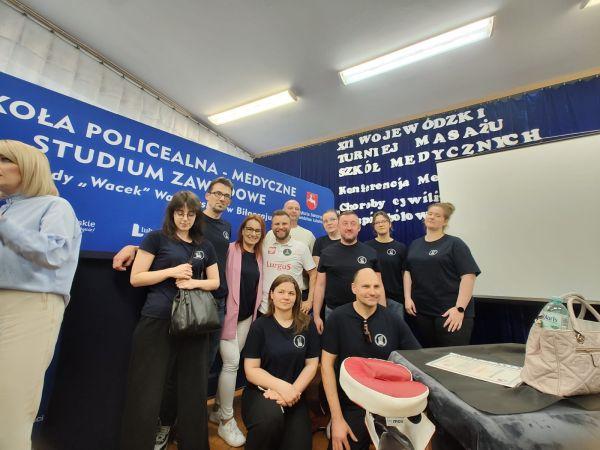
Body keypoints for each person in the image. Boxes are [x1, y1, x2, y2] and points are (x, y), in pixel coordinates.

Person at [120, 191, 219, 450]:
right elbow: (136, 278)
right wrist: (171, 272)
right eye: (180, 213)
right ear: (171, 213)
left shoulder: (205, 245)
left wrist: (193, 282)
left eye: (190, 214)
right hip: (158, 319)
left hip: (193, 323)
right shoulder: (156, 238)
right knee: (146, 387)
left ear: (196, 216)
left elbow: (215, 282)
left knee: (193, 389)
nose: (185, 218)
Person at [0, 140, 82, 450]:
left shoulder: (55, 206)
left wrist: (3, 225)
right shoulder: (7, 209)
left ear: (29, 166)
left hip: (31, 305)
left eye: (4, 159)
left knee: (10, 403)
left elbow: (52, 253)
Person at [321, 268, 420, 450]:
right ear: (354, 288)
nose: (372, 292)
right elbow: (326, 366)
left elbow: (416, 359)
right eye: (366, 286)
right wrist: (337, 419)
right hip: (352, 404)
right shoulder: (338, 318)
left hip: (388, 404)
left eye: (376, 286)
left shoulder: (393, 319)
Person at [242, 275, 320, 450]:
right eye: (281, 292)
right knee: (269, 421)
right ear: (271, 295)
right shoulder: (259, 326)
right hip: (262, 392)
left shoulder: (307, 324)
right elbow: (251, 370)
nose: (286, 297)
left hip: (295, 395)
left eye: (291, 293)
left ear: (297, 297)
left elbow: (311, 365)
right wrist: (282, 388)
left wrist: (292, 392)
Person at [214, 214, 266, 447]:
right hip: (227, 317)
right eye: (249, 229)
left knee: (231, 364)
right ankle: (226, 420)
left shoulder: (259, 256)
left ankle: (217, 409)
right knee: (231, 364)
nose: (253, 233)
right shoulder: (229, 250)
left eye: (257, 231)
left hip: (246, 319)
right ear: (242, 230)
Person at [403, 202, 480, 347]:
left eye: (437, 215)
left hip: (450, 313)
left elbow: (469, 276)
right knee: (431, 355)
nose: (432, 217)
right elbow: (407, 271)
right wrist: (407, 298)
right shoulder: (415, 244)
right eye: (430, 214)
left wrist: (459, 309)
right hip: (423, 312)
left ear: (445, 221)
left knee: (453, 357)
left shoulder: (455, 244)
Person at [313, 210, 383, 334]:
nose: (349, 228)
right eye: (345, 224)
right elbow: (320, 285)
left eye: (353, 224)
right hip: (333, 312)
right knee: (334, 345)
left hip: (366, 312)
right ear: (339, 227)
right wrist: (316, 315)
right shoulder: (327, 253)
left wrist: (382, 313)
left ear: (359, 228)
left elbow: (379, 285)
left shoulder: (370, 252)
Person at [261, 210, 316, 316]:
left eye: (284, 223)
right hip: (265, 308)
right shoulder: (264, 244)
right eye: (277, 224)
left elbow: (313, 273)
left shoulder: (301, 248)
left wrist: (310, 300)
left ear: (290, 225)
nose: (280, 227)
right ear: (272, 226)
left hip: (292, 309)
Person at [365, 211, 407, 319]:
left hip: (396, 299)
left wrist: (407, 297)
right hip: (372, 297)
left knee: (395, 328)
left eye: (383, 221)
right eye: (377, 222)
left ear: (390, 224)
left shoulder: (400, 247)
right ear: (374, 227)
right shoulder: (367, 247)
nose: (381, 224)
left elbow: (405, 274)